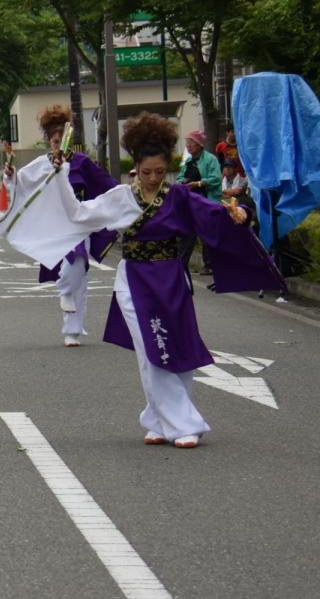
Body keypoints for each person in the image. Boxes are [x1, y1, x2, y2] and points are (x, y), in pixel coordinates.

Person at [95, 112, 282, 448]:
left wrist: (239, 215)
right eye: (146, 172)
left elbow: (213, 215)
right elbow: (81, 215)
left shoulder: (178, 196)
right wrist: (50, 180)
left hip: (171, 276)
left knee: (179, 345)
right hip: (133, 279)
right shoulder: (121, 197)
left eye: (159, 171)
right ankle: (184, 423)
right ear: (135, 166)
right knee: (150, 349)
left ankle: (158, 418)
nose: (153, 178)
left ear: (167, 167)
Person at [3, 105, 117, 347]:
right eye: (53, 141)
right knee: (72, 267)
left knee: (79, 269)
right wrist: (10, 175)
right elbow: (19, 185)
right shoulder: (40, 164)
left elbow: (108, 185)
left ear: (68, 139)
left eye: (61, 140)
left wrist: (131, 192)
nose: (57, 145)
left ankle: (73, 329)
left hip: (78, 223)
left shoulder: (82, 163)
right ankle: (65, 294)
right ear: (48, 140)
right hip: (53, 226)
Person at [178, 129, 222, 275]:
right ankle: (180, 263)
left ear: (199, 145)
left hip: (206, 201)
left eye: (191, 143)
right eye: (187, 143)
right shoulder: (188, 161)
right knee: (187, 233)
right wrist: (181, 183)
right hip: (190, 203)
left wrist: (198, 184)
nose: (189, 146)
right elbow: (179, 178)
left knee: (206, 234)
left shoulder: (210, 159)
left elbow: (216, 179)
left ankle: (209, 265)